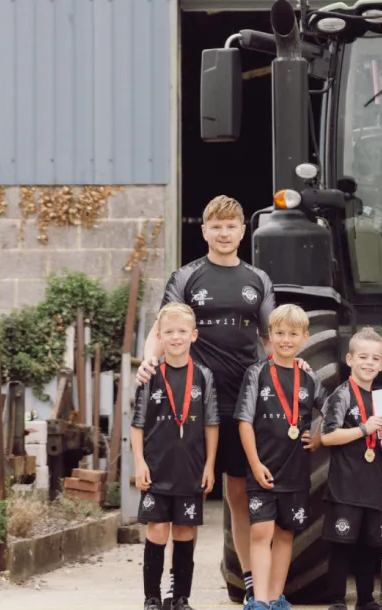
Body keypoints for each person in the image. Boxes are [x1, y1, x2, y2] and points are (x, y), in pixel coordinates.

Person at [136, 196, 276, 606]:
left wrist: (289, 375)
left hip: (242, 403)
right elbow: (162, 329)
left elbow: (271, 338)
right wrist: (148, 361)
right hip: (192, 407)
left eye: (231, 227)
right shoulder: (186, 276)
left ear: (242, 231)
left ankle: (249, 582)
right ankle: (177, 593)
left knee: (238, 496)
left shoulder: (258, 279)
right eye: (216, 226)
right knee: (189, 497)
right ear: (204, 231)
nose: (224, 233)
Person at [234, 304, 328, 610]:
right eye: (280, 333)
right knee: (261, 531)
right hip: (262, 469)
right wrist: (255, 463)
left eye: (293, 334)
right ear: (270, 336)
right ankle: (259, 600)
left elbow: (332, 410)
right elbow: (244, 422)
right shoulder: (256, 374)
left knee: (286, 533)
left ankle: (276, 599)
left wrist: (317, 437)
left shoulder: (309, 378)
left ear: (305, 338)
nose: (286, 340)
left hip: (295, 471)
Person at [131, 303, 219, 610]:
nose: (176, 337)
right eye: (169, 332)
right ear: (159, 336)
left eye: (182, 331)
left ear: (194, 335)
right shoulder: (150, 375)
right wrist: (139, 463)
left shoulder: (204, 376)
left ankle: (180, 598)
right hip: (157, 469)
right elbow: (137, 425)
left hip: (191, 469)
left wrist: (209, 465)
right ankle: (152, 598)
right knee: (157, 530)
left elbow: (211, 424)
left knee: (184, 532)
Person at [321, 327, 382, 610]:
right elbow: (327, 436)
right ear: (350, 359)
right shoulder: (341, 395)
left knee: (370, 545)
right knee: (342, 544)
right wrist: (363, 429)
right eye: (363, 357)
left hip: (373, 486)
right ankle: (337, 600)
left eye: (375, 358)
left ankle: (366, 600)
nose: (369, 363)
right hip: (345, 486)